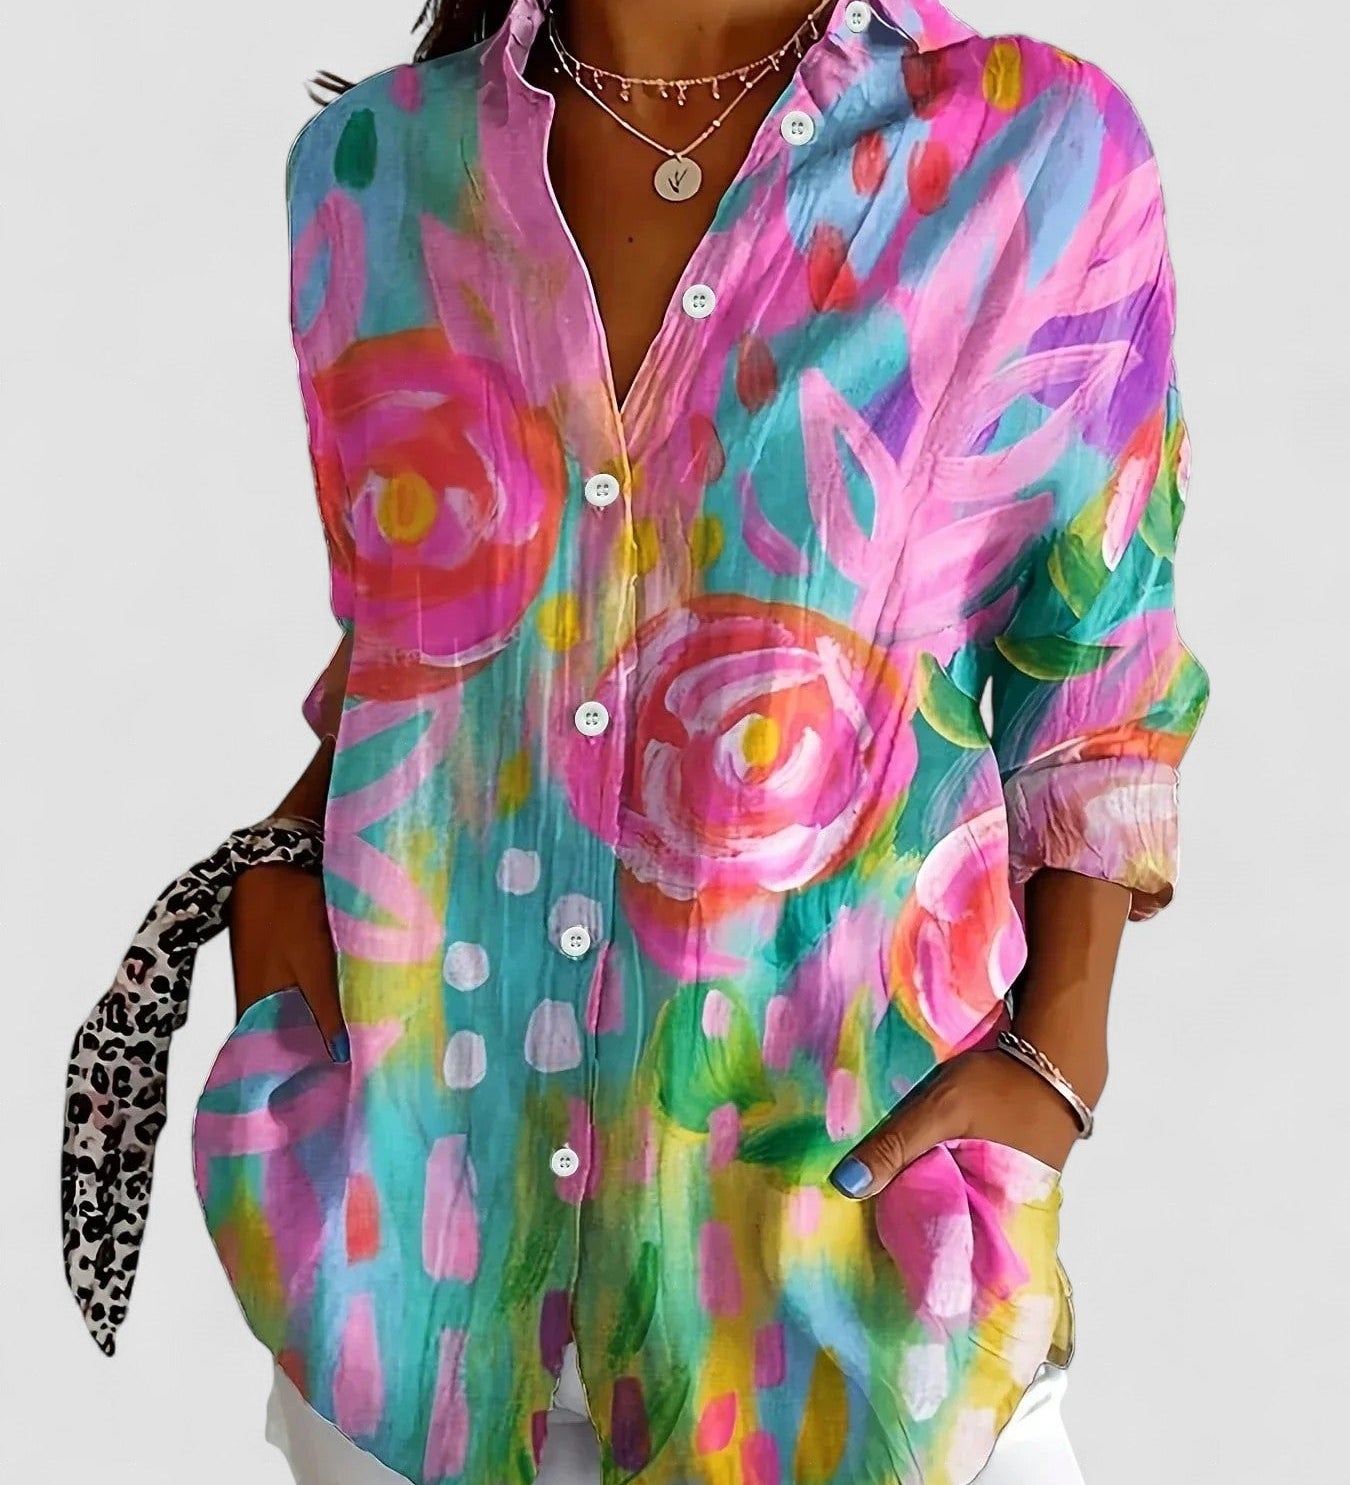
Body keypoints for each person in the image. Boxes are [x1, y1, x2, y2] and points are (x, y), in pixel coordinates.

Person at [61, 3, 1210, 1484]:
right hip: (415, 1285)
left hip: (841, 1292)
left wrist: (1054, 1065)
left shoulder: (1031, 153)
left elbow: (1099, 666)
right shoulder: (370, 172)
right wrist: (279, 904)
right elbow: (420, 647)